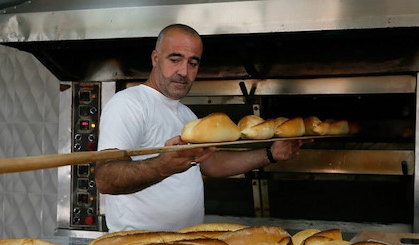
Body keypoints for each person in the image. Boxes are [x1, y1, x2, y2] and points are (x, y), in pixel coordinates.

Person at [95, 24, 307, 232]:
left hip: (187, 243)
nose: (184, 72)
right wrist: (163, 165)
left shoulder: (187, 115)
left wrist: (270, 154)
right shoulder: (129, 104)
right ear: (155, 58)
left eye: (193, 63)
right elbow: (105, 178)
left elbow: (210, 164)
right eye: (175, 59)